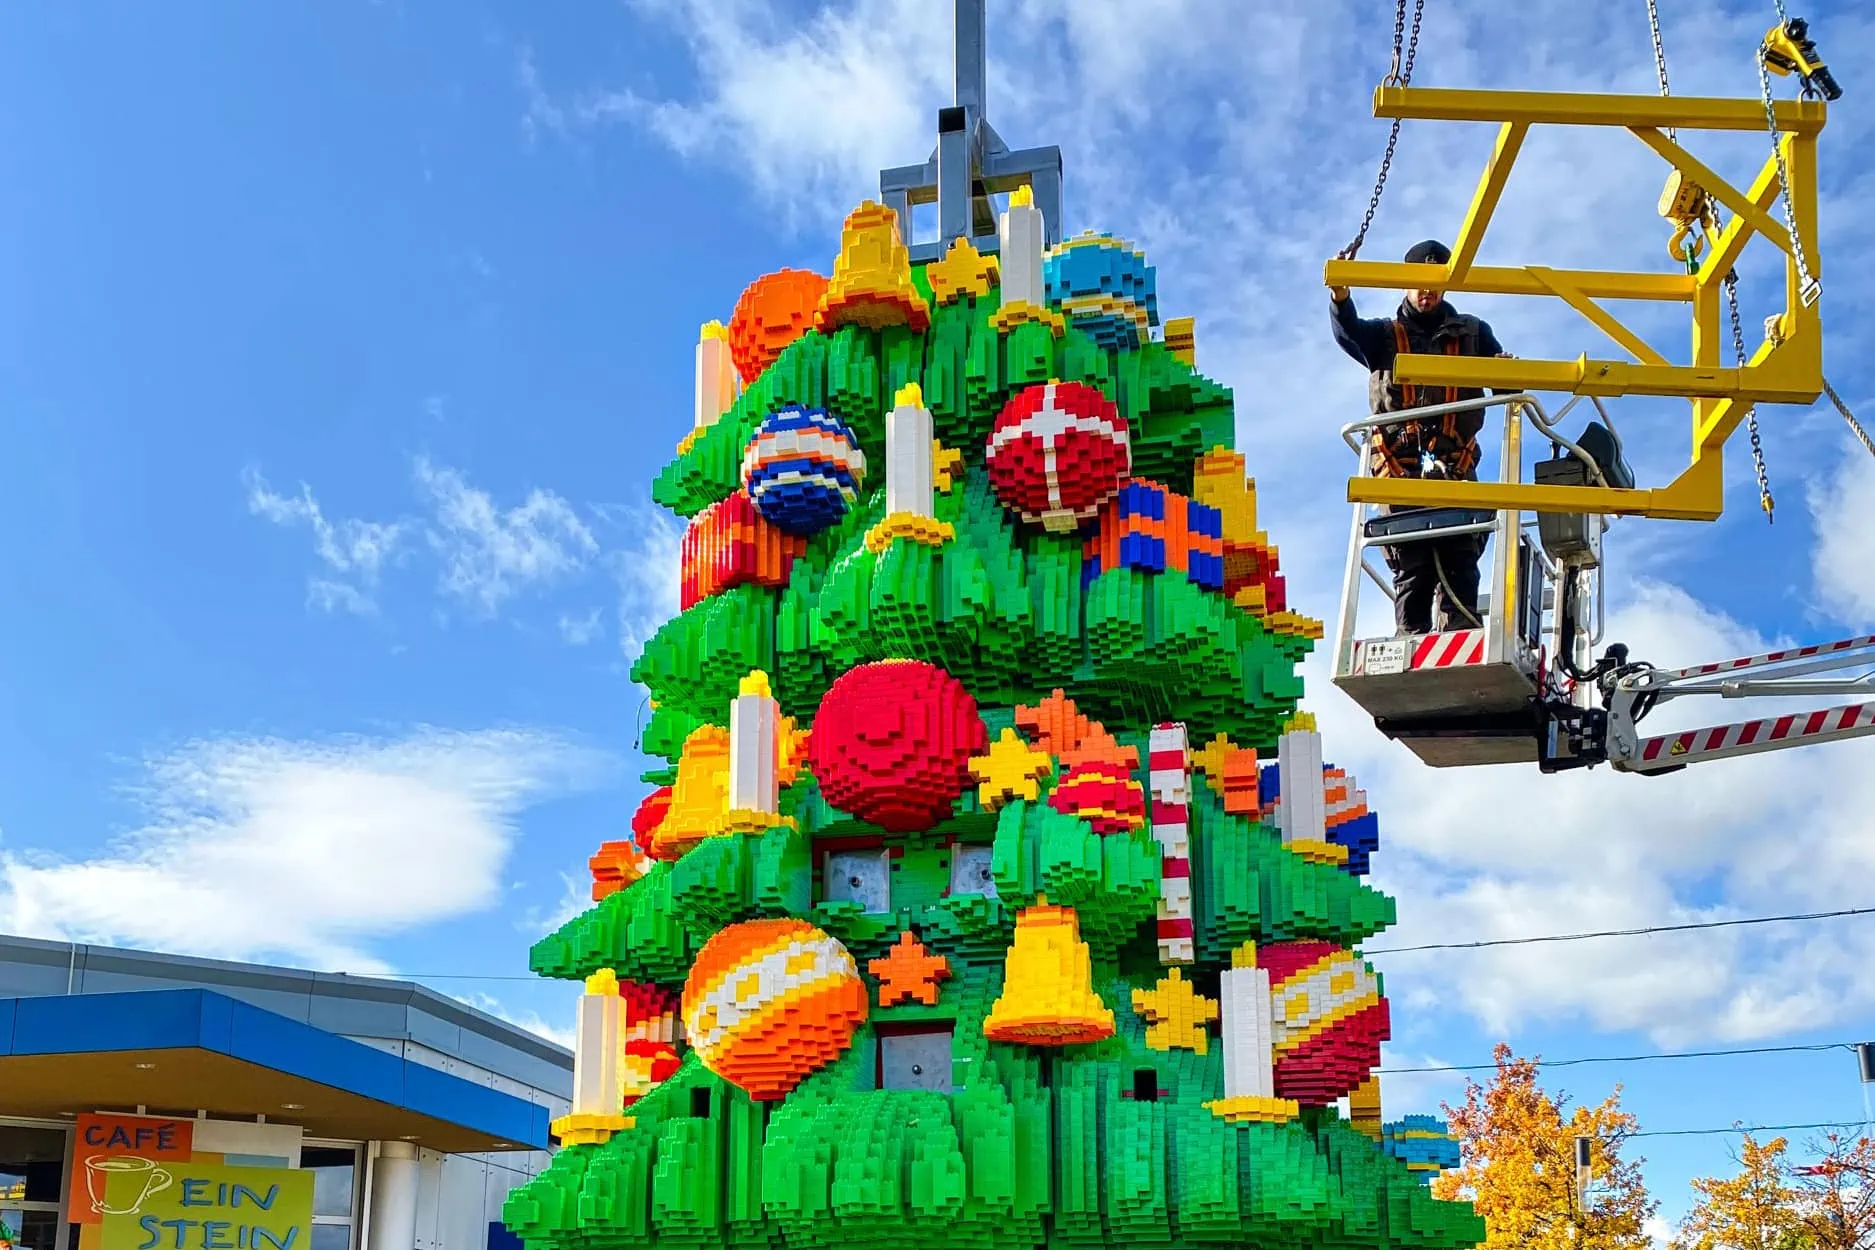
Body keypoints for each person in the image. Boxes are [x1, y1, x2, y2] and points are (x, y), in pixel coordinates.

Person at [1330, 238, 1510, 636]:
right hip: (1401, 472)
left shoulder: (1474, 335)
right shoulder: (1384, 337)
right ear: (1405, 285)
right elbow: (1349, 333)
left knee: (1460, 558)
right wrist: (1341, 297)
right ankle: (1411, 639)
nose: (1426, 290)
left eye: (1434, 281)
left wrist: (1504, 373)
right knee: (1412, 564)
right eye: (1418, 280)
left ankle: (1460, 634)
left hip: (1454, 470)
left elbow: (1504, 388)